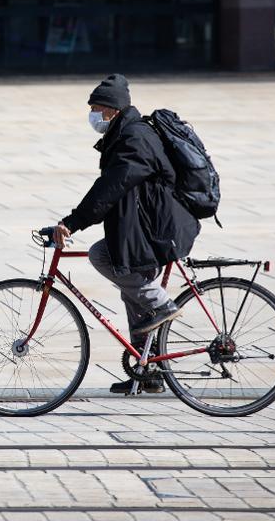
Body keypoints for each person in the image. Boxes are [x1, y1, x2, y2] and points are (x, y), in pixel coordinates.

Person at [53, 74, 200, 394]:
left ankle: (162, 306)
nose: (92, 116)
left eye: (95, 109)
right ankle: (148, 371)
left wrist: (73, 222)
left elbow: (111, 188)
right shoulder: (126, 135)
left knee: (101, 256)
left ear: (111, 110)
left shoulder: (134, 139)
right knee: (131, 289)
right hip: (145, 227)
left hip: (157, 229)